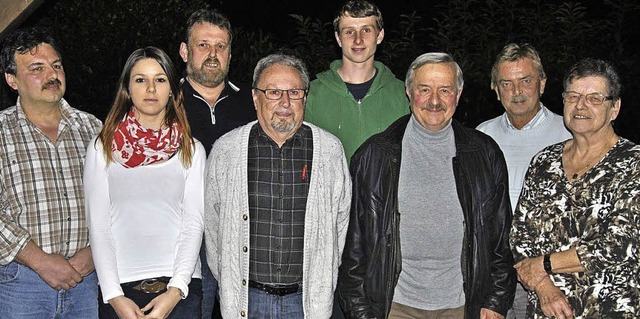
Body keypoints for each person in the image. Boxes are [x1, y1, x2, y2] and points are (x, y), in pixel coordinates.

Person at [339, 52, 515, 319]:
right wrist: (361, 312)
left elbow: (501, 240)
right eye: (424, 89)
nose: (434, 101)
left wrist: (495, 302)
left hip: (463, 306)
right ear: (409, 92)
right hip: (393, 307)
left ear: (458, 94)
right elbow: (353, 248)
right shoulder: (373, 156)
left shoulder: (484, 154)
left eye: (444, 90)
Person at [203, 53, 352, 318]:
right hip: (247, 302)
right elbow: (213, 227)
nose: (285, 102)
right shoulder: (226, 150)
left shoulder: (330, 151)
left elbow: (340, 224)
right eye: (273, 92)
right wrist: (230, 278)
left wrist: (323, 278)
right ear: (255, 97)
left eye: (294, 92)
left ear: (305, 97)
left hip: (306, 302)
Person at [510, 58, 640, 318]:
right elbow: (521, 238)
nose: (581, 106)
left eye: (594, 98)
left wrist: (544, 265)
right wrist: (544, 288)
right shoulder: (543, 162)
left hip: (609, 310)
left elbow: (619, 245)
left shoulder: (633, 163)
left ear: (614, 108)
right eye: (573, 96)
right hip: (546, 309)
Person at [84, 46, 205, 319]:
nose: (151, 88)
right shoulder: (101, 148)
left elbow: (193, 224)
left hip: (180, 291)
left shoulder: (192, 150)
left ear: (172, 88)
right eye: (140, 79)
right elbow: (99, 227)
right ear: (127, 88)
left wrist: (176, 291)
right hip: (120, 292)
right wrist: (114, 296)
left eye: (160, 79)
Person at [0, 27, 102, 318]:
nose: (52, 74)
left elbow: (118, 199)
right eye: (37, 68)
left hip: (85, 280)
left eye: (56, 65)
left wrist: (96, 253)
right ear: (12, 79)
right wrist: (39, 260)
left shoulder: (93, 128)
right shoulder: (2, 131)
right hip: (21, 284)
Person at [476, 43, 571, 319]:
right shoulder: (482, 137)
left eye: (525, 81)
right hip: (494, 277)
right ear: (495, 89)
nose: (516, 92)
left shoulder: (568, 134)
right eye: (506, 83)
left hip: (552, 278)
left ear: (542, 84)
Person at [179, 9, 257, 318]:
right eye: (203, 45)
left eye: (221, 46)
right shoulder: (164, 102)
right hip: (184, 238)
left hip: (238, 236)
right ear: (185, 51)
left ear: (230, 54)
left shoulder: (252, 103)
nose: (213, 54)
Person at [304, 0, 408, 161]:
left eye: (366, 30)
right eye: (349, 32)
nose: (358, 40)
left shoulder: (404, 95)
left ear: (379, 36)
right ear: (338, 38)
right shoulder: (311, 94)